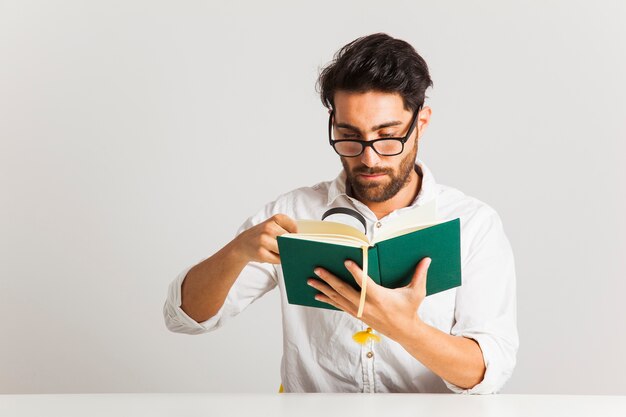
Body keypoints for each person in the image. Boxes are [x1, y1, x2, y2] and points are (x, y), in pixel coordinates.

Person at [163, 33, 518, 394]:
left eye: (387, 136)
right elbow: (184, 318)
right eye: (349, 136)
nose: (369, 157)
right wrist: (237, 251)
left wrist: (403, 327)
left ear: (420, 124)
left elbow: (487, 372)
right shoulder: (292, 214)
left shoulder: (471, 224)